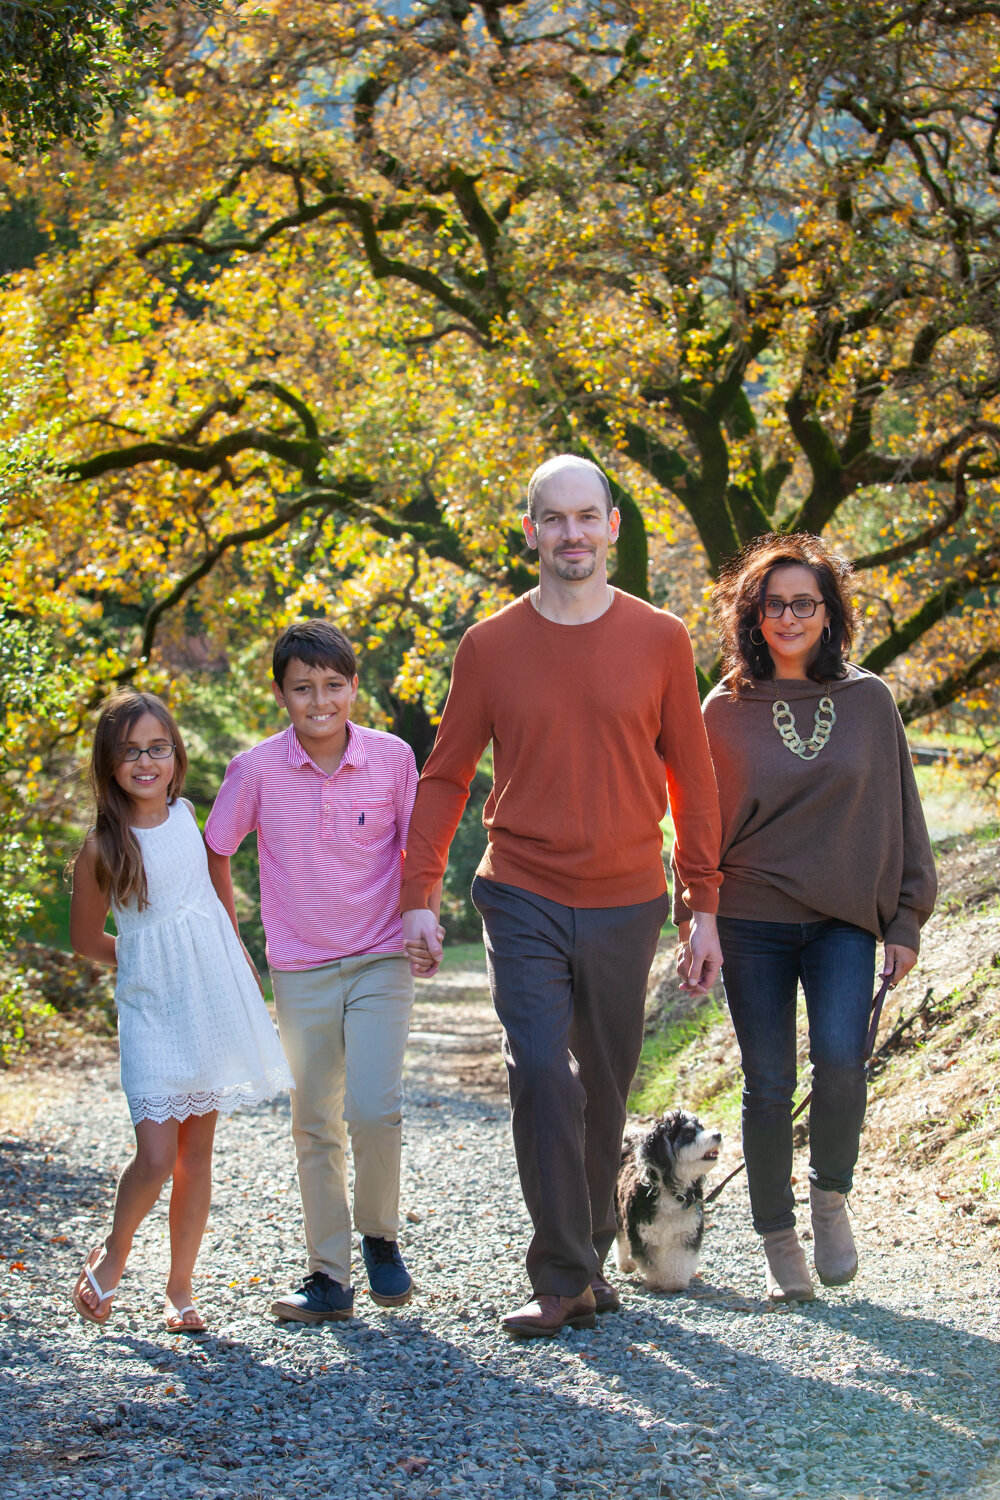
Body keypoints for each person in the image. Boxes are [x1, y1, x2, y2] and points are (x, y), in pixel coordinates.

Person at [401, 453, 724, 1338]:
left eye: (588, 517)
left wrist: (702, 905)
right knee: (542, 1071)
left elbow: (693, 778)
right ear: (531, 529)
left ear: (613, 526)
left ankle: (588, 1251)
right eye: (555, 518)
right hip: (523, 889)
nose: (572, 534)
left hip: (627, 897)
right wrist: (420, 893)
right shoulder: (490, 645)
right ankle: (561, 1277)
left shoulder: (660, 638)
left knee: (606, 1091)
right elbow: (446, 776)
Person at [683, 533, 937, 1302]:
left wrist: (905, 920)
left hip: (843, 919)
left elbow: (902, 811)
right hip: (752, 916)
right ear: (751, 615)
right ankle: (778, 1237)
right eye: (772, 604)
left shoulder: (869, 701)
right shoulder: (722, 709)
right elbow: (695, 823)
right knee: (766, 1084)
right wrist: (700, 917)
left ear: (829, 613)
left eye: (803, 603)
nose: (788, 616)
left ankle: (830, 1197)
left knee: (840, 1060)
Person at [205, 620, 428, 1323]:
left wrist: (421, 913)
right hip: (299, 968)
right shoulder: (256, 769)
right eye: (303, 688)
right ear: (282, 694)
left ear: (355, 687)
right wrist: (232, 936)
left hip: (380, 959)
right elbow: (217, 847)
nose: (320, 701)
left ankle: (380, 1237)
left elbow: (418, 850)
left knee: (372, 1108)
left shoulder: (392, 759)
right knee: (314, 1123)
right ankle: (328, 1276)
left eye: (334, 685)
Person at [69, 690, 293, 1331]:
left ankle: (180, 1289)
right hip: (151, 1012)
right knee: (157, 1157)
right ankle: (115, 1252)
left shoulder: (189, 818)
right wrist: (143, 962)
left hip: (208, 1003)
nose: (146, 762)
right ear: (109, 761)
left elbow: (216, 908)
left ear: (175, 754)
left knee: (198, 1157)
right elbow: (87, 941)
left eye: (158, 748)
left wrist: (240, 967)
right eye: (131, 751)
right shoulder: (102, 848)